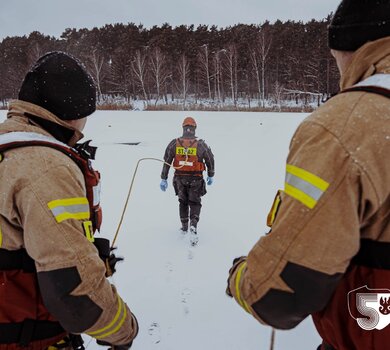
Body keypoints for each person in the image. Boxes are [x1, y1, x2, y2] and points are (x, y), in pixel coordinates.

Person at [226, 1, 390, 349]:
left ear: (352, 49)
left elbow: (281, 295)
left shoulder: (346, 127)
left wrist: (243, 276)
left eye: (335, 58)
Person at [0, 52, 138, 350]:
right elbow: (74, 290)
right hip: (26, 339)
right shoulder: (47, 168)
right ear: (73, 112)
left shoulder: (7, 150)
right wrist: (124, 330)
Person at [160, 117, 215, 245]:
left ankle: (184, 226)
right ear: (194, 129)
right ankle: (193, 225)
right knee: (195, 203)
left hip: (180, 179)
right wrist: (211, 174)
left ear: (183, 128)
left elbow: (167, 161)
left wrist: (164, 178)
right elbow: (210, 159)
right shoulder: (201, 144)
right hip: (196, 179)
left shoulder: (174, 143)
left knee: (183, 202)